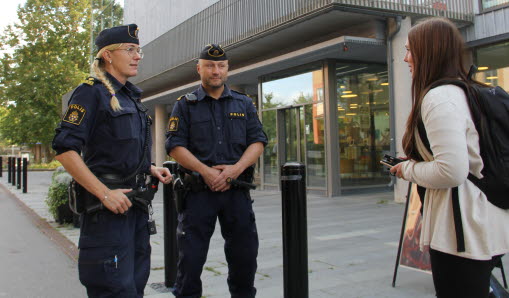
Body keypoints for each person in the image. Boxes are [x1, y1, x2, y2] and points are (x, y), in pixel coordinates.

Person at [390, 17, 509, 298]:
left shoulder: (440, 97)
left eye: (410, 50)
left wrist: (407, 169)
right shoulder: (465, 90)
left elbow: (451, 171)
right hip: (482, 220)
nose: (405, 57)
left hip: (462, 229)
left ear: (428, 51)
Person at [52, 24, 172, 297]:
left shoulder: (130, 97)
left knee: (134, 287)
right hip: (108, 217)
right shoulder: (91, 92)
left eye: (138, 50)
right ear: (108, 55)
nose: (138, 56)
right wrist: (105, 194)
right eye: (130, 50)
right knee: (113, 289)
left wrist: (150, 169)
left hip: (136, 211)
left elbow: (116, 150)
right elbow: (64, 149)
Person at [165, 44, 267, 298]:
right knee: (190, 262)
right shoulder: (185, 105)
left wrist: (236, 169)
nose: (216, 71)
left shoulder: (244, 104)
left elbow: (258, 141)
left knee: (245, 259)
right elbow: (174, 146)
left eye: (221, 66)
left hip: (236, 193)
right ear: (199, 68)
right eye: (209, 66)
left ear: (227, 69)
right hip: (199, 194)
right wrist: (206, 172)